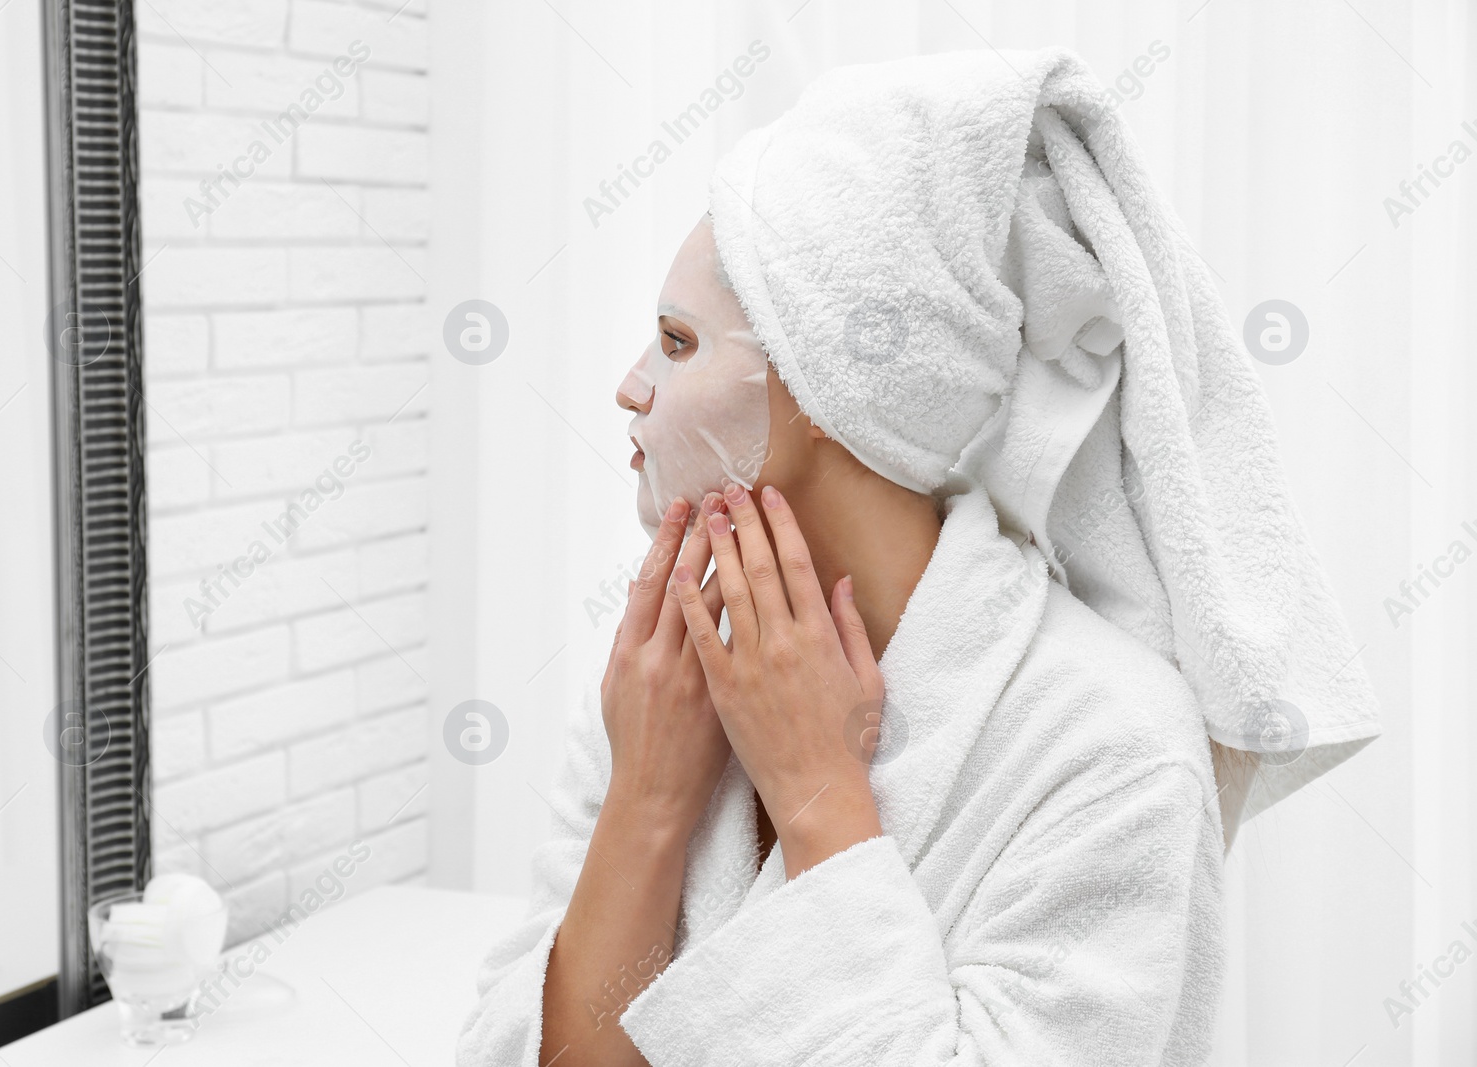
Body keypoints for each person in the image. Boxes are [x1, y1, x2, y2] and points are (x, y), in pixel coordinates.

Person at [457, 46, 1379, 1067]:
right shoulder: (665, 683)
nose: (630, 388)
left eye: (676, 343)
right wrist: (648, 797)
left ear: (824, 386)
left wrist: (818, 801)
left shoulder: (1110, 747)